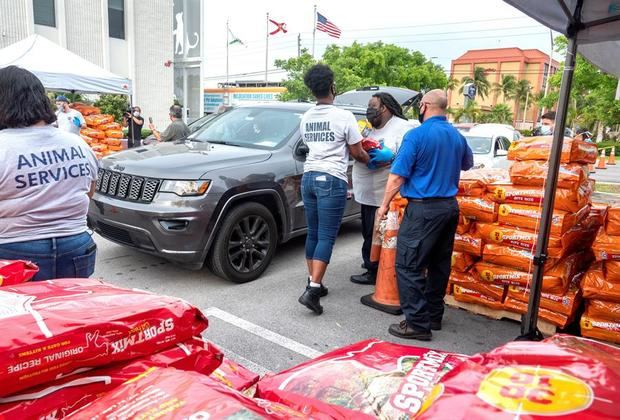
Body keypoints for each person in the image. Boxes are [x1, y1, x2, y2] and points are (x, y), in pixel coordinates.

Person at [376, 89, 473, 340]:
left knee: (408, 264)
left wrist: (383, 205)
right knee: (439, 264)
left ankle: (417, 323)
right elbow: (467, 164)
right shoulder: (457, 136)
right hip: (448, 208)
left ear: (424, 105)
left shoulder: (416, 136)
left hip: (423, 210)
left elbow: (397, 175)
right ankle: (433, 315)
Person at [0, 66, 99, 281]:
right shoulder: (78, 143)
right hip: (76, 243)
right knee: (71, 311)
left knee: (24, 314)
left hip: (13, 249)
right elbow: (89, 191)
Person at [297, 64, 371, 315]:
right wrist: (370, 159)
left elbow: (310, 145)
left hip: (308, 178)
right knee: (327, 236)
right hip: (331, 179)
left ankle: (313, 281)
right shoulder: (344, 116)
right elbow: (356, 151)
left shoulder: (306, 117)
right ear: (332, 87)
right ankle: (313, 290)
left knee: (314, 233)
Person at [350, 93, 414, 285]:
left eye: (373, 105)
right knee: (369, 231)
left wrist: (391, 157)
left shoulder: (403, 127)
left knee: (382, 232)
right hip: (367, 192)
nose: (369, 109)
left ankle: (374, 270)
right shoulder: (369, 130)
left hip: (387, 193)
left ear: (384, 107)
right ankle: (372, 262)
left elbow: (407, 155)